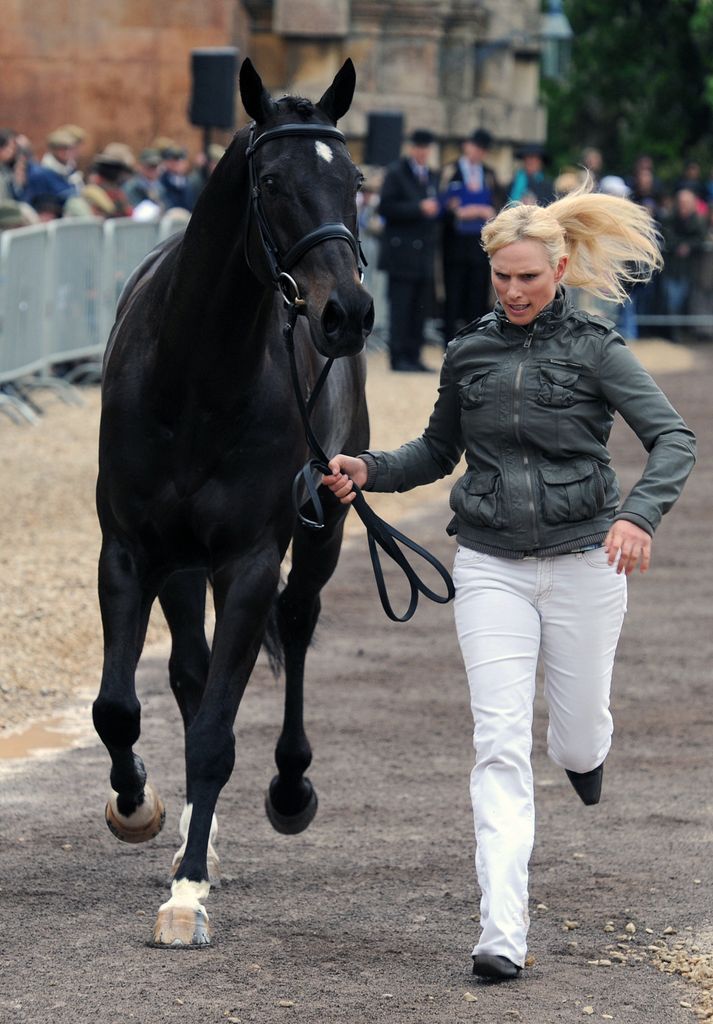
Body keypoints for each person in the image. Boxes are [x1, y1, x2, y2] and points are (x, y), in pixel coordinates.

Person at [322, 181, 696, 982]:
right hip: (489, 564)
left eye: (528, 277)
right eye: (502, 278)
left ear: (558, 268)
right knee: (496, 742)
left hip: (585, 562)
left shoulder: (598, 348)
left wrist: (638, 517)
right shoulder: (470, 351)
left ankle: (584, 754)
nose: (514, 291)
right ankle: (501, 931)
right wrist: (368, 468)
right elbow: (434, 451)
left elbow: (672, 439)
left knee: (577, 732)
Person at [378, 128, 440, 372]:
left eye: (426, 148)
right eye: (419, 147)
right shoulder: (396, 173)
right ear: (411, 148)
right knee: (400, 308)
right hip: (401, 253)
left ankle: (414, 355)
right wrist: (418, 208)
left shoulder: (432, 176)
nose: (422, 152)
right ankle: (398, 357)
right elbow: (385, 207)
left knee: (419, 308)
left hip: (423, 253)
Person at [440, 128, 501, 344]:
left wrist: (482, 211)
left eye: (483, 149)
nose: (478, 152)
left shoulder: (489, 174)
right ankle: (449, 340)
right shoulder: (451, 171)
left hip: (480, 244)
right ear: (467, 146)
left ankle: (475, 341)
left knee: (477, 293)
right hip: (455, 244)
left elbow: (498, 204)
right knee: (453, 293)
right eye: (476, 147)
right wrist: (456, 211)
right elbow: (442, 204)